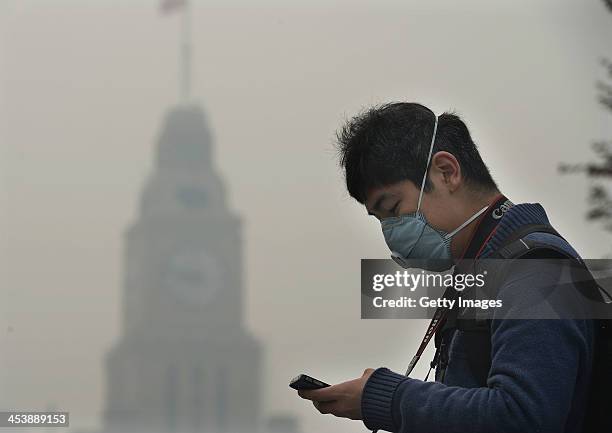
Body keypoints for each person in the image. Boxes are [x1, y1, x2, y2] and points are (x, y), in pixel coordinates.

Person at [296, 103, 595, 433]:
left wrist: (384, 397)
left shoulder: (537, 271)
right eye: (381, 220)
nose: (392, 233)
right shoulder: (486, 271)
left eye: (393, 208)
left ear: (446, 172)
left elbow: (522, 416)